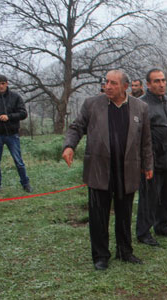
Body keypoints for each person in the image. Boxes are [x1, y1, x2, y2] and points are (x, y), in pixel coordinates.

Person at [62, 70, 153, 270]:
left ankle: (124, 251)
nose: (108, 87)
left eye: (113, 83)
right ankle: (100, 256)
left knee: (124, 213)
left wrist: (148, 164)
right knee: (98, 215)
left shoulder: (140, 108)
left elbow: (145, 140)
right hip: (99, 168)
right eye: (106, 82)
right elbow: (77, 127)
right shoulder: (92, 104)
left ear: (125, 87)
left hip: (127, 168)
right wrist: (69, 146)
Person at [135, 69, 167, 247]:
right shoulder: (141, 105)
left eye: (163, 80)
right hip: (152, 161)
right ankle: (143, 232)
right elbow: (138, 137)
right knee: (149, 198)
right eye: (156, 81)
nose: (161, 84)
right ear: (148, 84)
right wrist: (145, 162)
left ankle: (162, 225)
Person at [0, 74, 32, 194]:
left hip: (12, 134)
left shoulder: (15, 97)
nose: (1, 86)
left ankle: (26, 184)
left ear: (7, 83)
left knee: (18, 162)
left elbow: (23, 113)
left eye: (3, 83)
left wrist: (9, 117)